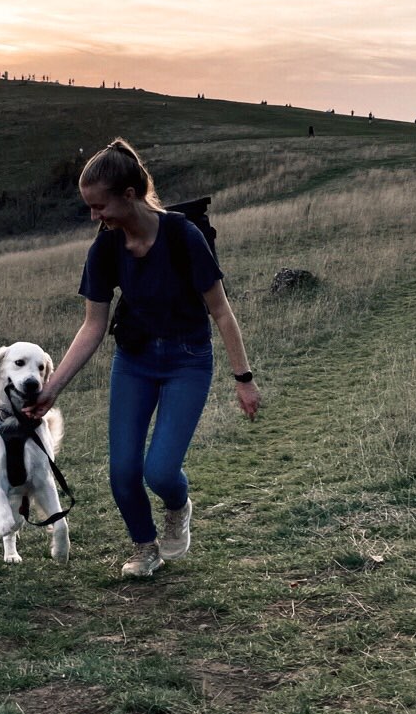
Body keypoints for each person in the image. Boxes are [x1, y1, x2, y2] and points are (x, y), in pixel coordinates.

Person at [26, 138, 261, 578]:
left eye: (100, 207)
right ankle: (144, 547)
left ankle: (178, 505)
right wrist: (51, 390)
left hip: (187, 360)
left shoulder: (182, 235)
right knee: (123, 471)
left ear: (129, 195)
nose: (95, 217)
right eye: (90, 208)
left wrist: (242, 379)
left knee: (160, 469)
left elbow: (221, 311)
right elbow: (93, 325)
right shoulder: (106, 247)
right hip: (134, 362)